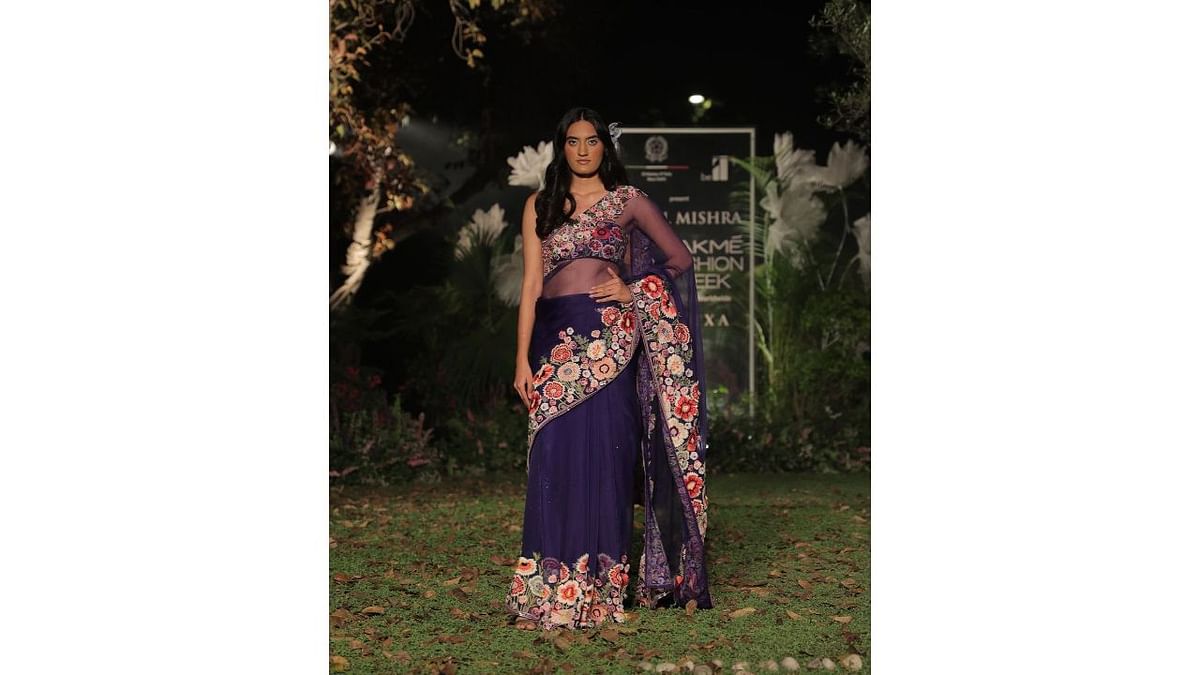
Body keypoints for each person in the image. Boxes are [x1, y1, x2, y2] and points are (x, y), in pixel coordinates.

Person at [505, 107, 712, 630]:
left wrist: (633, 287)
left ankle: (599, 591)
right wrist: (521, 358)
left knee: (606, 454)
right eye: (572, 141)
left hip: (608, 341)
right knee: (552, 456)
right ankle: (546, 589)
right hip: (553, 343)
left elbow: (679, 259)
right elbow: (530, 286)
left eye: (591, 141)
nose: (582, 150)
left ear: (605, 147)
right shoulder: (540, 205)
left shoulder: (628, 202)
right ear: (562, 147)